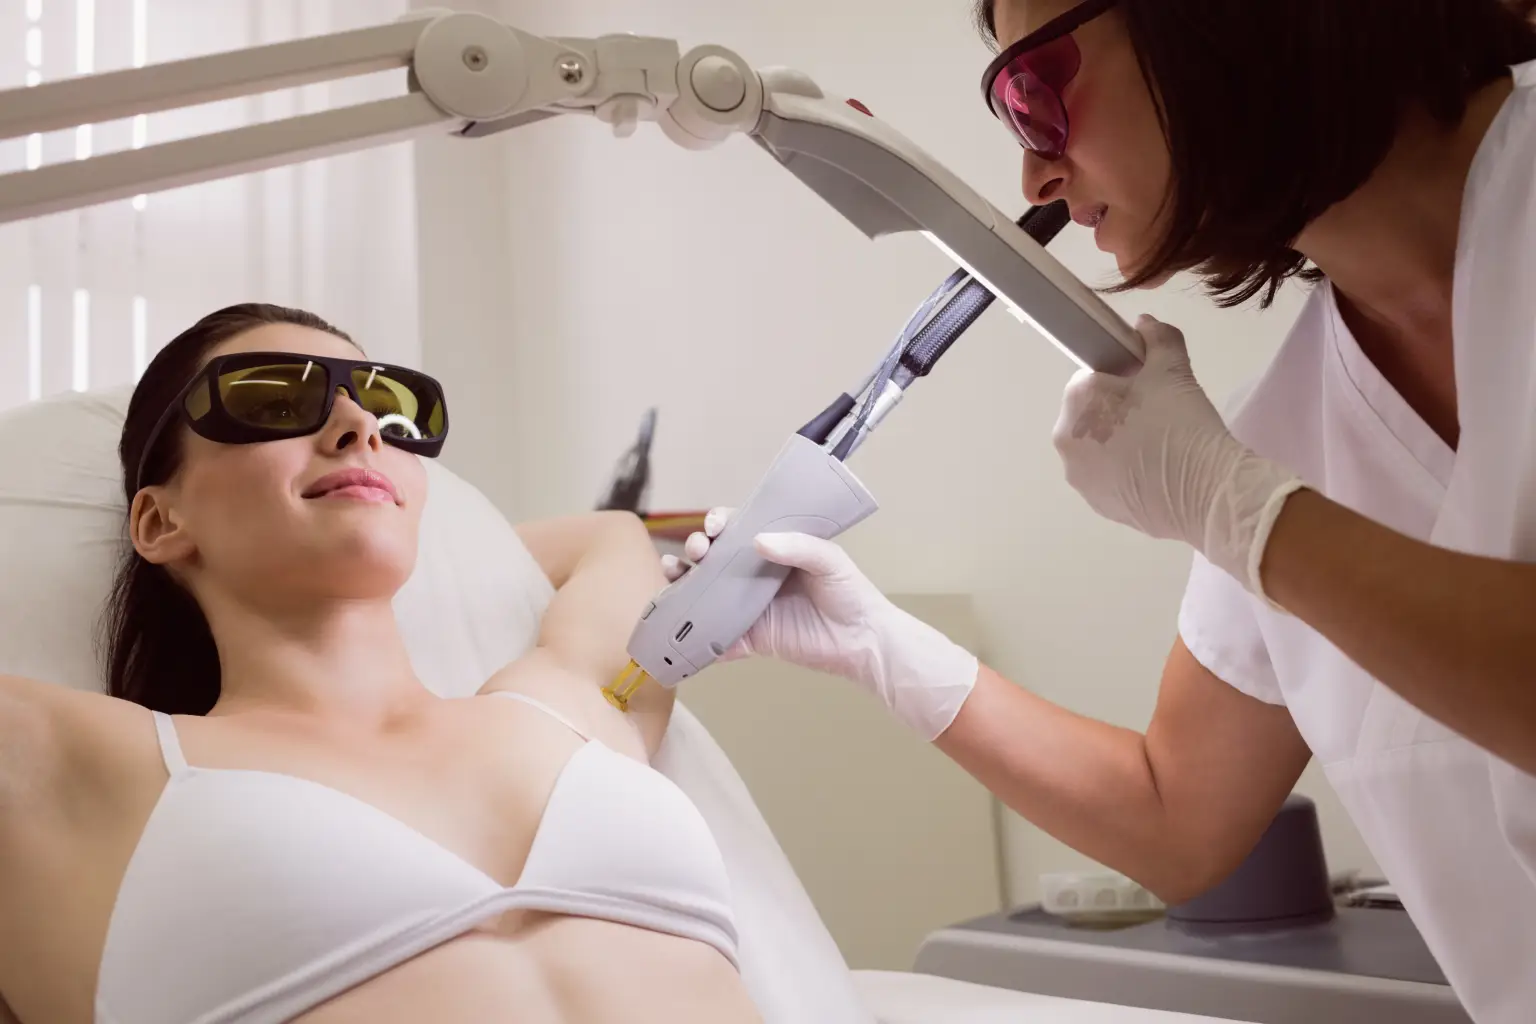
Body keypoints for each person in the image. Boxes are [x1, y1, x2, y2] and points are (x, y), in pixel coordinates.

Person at [668, 1, 1536, 1020]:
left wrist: (1236, 508)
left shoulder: (1244, 478)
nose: (1035, 177)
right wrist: (880, 647)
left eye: (1035, 94)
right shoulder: (1293, 430)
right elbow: (1179, 813)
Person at [0, 304, 760, 1024]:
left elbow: (613, 536)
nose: (357, 425)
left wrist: (454, 562)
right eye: (272, 401)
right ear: (160, 521)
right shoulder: (88, 770)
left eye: (390, 409)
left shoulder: (569, 703)